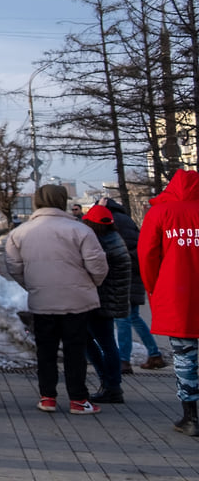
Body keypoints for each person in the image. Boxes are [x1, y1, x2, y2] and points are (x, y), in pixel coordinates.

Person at [4, 183, 108, 415]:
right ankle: (79, 399)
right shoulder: (80, 230)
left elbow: (14, 267)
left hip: (42, 301)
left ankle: (47, 397)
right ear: (63, 200)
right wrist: (91, 283)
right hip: (77, 301)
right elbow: (98, 265)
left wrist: (33, 285)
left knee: (45, 351)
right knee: (75, 350)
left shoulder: (20, 232)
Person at [138, 168, 199, 436]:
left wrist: (155, 288)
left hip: (177, 296)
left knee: (185, 358)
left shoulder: (160, 213)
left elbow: (147, 256)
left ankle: (191, 417)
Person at [102, 196, 168, 372]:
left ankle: (124, 361)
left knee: (123, 318)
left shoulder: (114, 220)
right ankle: (154, 354)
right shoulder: (124, 219)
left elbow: (127, 250)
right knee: (133, 318)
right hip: (133, 276)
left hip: (124, 277)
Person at [82, 203, 130, 403]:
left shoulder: (100, 243)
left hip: (100, 301)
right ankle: (110, 384)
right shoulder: (113, 238)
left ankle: (111, 385)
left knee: (103, 344)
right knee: (95, 341)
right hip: (110, 300)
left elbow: (91, 268)